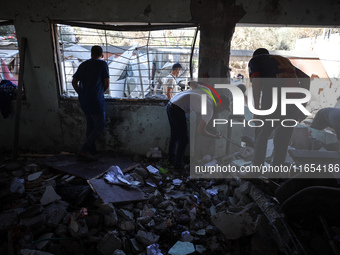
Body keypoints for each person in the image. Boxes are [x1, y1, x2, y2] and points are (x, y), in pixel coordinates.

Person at [248, 48, 310, 167]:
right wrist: (303, 107)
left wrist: (256, 110)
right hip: (292, 106)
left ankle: (256, 170)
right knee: (282, 140)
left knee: (261, 136)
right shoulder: (284, 61)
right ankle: (276, 172)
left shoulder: (256, 60)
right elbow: (306, 78)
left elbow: (256, 83)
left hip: (273, 103)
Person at [166, 81, 221, 172]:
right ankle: (178, 166)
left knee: (175, 136)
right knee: (184, 140)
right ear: (219, 104)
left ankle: (170, 160)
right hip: (177, 109)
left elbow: (190, 83)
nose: (221, 111)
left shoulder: (207, 91)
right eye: (222, 108)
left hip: (170, 104)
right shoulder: (210, 110)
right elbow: (200, 131)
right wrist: (214, 136)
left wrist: (200, 84)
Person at [72, 45, 110, 160]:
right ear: (102, 55)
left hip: (84, 100)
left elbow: (74, 82)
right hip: (96, 100)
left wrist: (81, 93)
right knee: (99, 126)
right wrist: (99, 93)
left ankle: (91, 151)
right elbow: (107, 84)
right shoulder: (103, 64)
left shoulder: (83, 65)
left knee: (90, 125)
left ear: (91, 54)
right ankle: (84, 149)